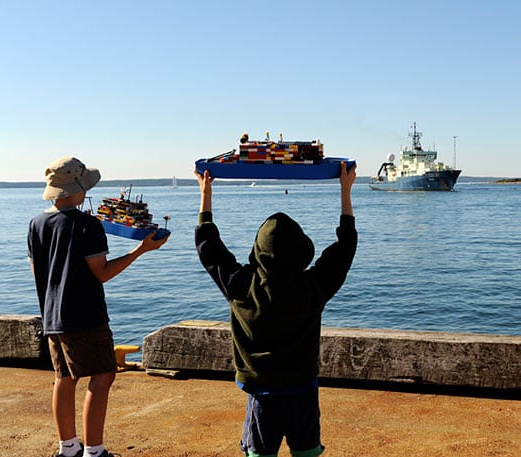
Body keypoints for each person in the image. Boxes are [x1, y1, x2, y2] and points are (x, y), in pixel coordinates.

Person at [194, 161, 357, 457]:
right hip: (303, 391)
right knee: (306, 452)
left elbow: (208, 247)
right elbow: (345, 248)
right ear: (302, 250)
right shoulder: (313, 287)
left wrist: (206, 193)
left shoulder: (241, 286)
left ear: (258, 250)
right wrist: (345, 190)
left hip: (262, 393)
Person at [28, 156, 169, 457]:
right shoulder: (87, 225)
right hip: (85, 315)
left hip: (52, 315)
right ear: (76, 189)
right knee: (103, 375)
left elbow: (38, 272)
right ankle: (94, 451)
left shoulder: (37, 223)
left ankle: (68, 449)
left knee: (64, 378)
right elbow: (102, 273)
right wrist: (141, 250)